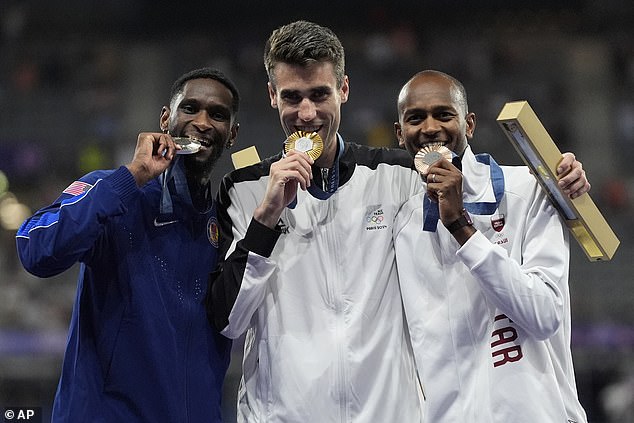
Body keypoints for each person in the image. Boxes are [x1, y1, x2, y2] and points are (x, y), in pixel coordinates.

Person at [206, 21, 590, 422]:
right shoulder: (244, 187)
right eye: (292, 97)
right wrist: (266, 219)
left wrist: (558, 176)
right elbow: (229, 323)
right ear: (272, 96)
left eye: (319, 94)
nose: (307, 113)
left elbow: (468, 177)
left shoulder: (398, 174)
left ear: (344, 90)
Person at [16, 67, 240, 422]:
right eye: (190, 108)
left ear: (232, 135)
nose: (202, 122)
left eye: (218, 114)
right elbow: (35, 249)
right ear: (166, 118)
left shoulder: (227, 226)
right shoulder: (115, 192)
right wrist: (131, 177)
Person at [392, 70, 589, 422]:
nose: (430, 128)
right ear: (400, 134)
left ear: (469, 124)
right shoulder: (399, 221)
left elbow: (544, 315)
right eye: (415, 118)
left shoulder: (529, 189)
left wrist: (461, 227)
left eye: (444, 114)